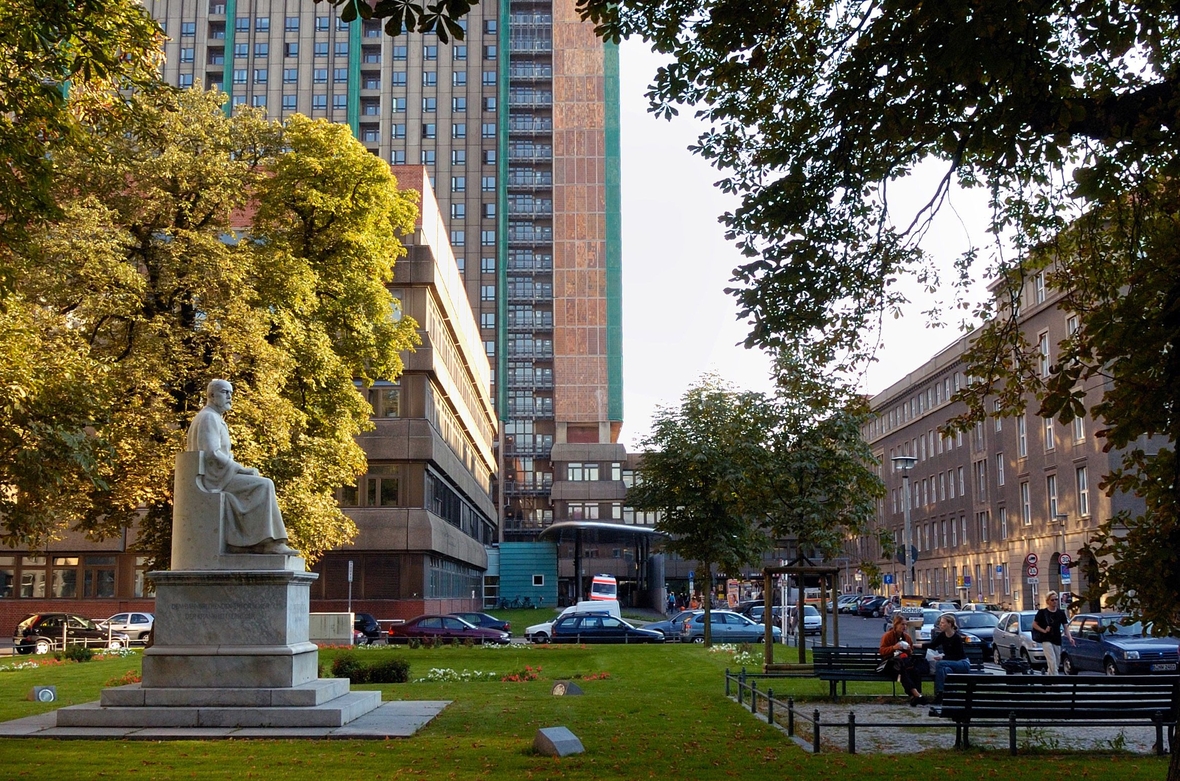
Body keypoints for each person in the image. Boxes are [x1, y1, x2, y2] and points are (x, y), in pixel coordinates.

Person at [186, 379, 298, 555]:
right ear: (212, 395)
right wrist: (241, 469)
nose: (230, 397)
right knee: (264, 485)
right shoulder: (208, 417)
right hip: (215, 480)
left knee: (260, 484)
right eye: (225, 392)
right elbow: (212, 453)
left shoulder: (213, 417)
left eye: (231, 393)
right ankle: (267, 543)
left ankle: (250, 541)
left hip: (218, 476)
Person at [879, 612, 927, 706]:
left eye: (905, 624)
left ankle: (915, 697)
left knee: (914, 671)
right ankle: (917, 695)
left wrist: (909, 650)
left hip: (903, 664)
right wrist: (894, 647)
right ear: (896, 625)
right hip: (890, 665)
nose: (904, 626)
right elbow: (882, 651)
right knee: (903, 671)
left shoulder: (907, 637)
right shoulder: (888, 636)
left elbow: (910, 652)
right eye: (902, 624)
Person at [926, 613, 971, 704]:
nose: (940, 625)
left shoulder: (957, 638)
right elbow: (932, 645)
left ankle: (940, 693)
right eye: (940, 623)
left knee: (940, 664)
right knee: (946, 670)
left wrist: (942, 657)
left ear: (949, 624)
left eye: (943, 623)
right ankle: (950, 695)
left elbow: (957, 656)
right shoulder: (942, 635)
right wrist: (914, 645)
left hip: (962, 663)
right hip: (950, 664)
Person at [1032, 590, 1075, 674]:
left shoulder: (1061, 613)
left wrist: (1070, 638)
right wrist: (1044, 630)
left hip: (1057, 639)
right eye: (1052, 600)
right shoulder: (1042, 612)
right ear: (1047, 601)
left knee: (1056, 662)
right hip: (1046, 639)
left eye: (1056, 599)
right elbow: (1034, 625)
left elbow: (1066, 627)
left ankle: (1049, 679)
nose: (1054, 601)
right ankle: (1056, 682)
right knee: (1051, 660)